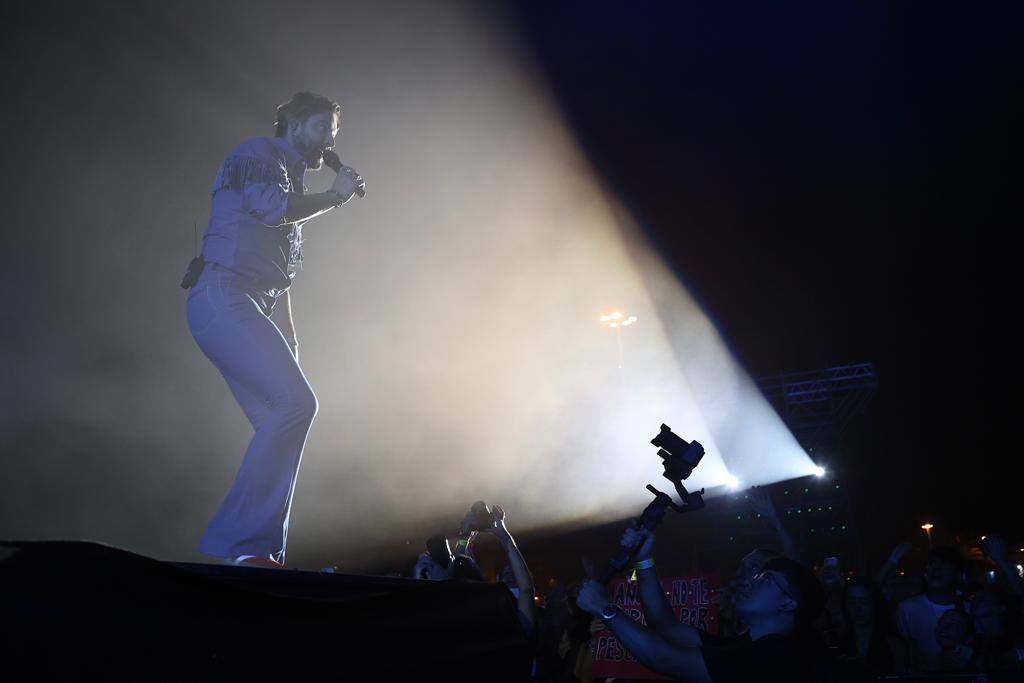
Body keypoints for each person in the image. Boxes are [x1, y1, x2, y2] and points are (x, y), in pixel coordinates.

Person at [184, 92, 364, 568]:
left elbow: (277, 278)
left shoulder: (293, 177)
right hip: (222, 296)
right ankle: (240, 544)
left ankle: (258, 551)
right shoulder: (260, 154)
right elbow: (272, 209)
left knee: (280, 420)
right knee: (297, 405)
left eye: (334, 133)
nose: (330, 140)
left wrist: (291, 341)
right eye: (323, 127)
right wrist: (335, 197)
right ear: (296, 124)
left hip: (244, 302)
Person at [576, 524, 828, 682]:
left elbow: (664, 659)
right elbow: (665, 625)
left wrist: (605, 609)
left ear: (788, 603)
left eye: (766, 579)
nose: (750, 581)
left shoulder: (777, 656)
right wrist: (643, 559)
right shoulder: (745, 645)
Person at [895, 546, 963, 671]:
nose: (936, 569)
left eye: (944, 565)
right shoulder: (907, 609)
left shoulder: (972, 607)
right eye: (931, 564)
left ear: (956, 572)